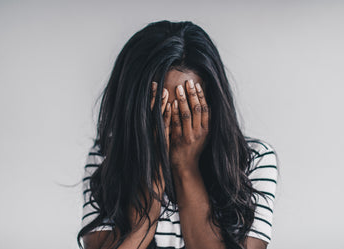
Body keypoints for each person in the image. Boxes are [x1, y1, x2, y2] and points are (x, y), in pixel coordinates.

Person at [77, 20, 279, 249]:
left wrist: (186, 168)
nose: (172, 128)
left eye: (187, 111)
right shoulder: (108, 157)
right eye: (159, 112)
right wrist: (145, 214)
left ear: (211, 105)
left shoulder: (253, 160)